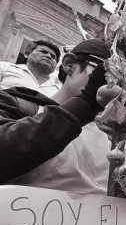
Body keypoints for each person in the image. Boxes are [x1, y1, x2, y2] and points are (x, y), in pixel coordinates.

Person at [0, 38, 110, 189]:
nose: (115, 86)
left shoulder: (115, 139)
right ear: (69, 65)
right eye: (107, 73)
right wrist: (84, 105)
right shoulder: (20, 103)